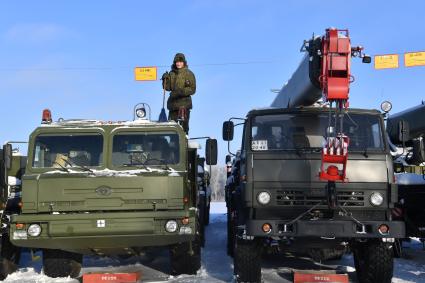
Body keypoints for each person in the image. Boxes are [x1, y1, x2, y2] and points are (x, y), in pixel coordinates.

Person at [162, 53, 196, 134]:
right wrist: (165, 79)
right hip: (173, 106)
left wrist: (179, 92)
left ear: (184, 62)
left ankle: (184, 142)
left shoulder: (189, 73)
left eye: (180, 61)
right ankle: (172, 145)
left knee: (183, 129)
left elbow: (192, 89)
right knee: (171, 129)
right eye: (177, 62)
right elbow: (167, 88)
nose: (178, 63)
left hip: (183, 105)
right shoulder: (171, 73)